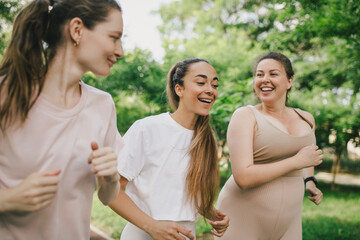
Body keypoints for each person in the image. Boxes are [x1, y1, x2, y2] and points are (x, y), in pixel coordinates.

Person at [0, 0, 124, 239]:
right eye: (114, 37)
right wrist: (8, 199)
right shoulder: (7, 93)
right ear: (77, 30)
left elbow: (107, 197)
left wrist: (110, 179)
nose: (120, 51)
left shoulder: (103, 105)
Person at [109, 58, 230, 240]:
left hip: (186, 235)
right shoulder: (147, 128)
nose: (210, 90)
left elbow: (182, 195)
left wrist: (212, 213)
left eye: (214, 85)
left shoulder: (206, 139)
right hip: (143, 234)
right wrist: (153, 227)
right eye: (201, 82)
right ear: (179, 89)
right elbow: (111, 190)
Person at [215, 52, 324, 240]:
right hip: (243, 215)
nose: (265, 80)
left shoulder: (306, 118)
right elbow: (243, 177)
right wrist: (296, 162)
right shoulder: (245, 116)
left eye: (273, 74)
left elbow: (307, 156)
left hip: (289, 221)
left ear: (289, 81)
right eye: (259, 74)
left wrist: (310, 181)